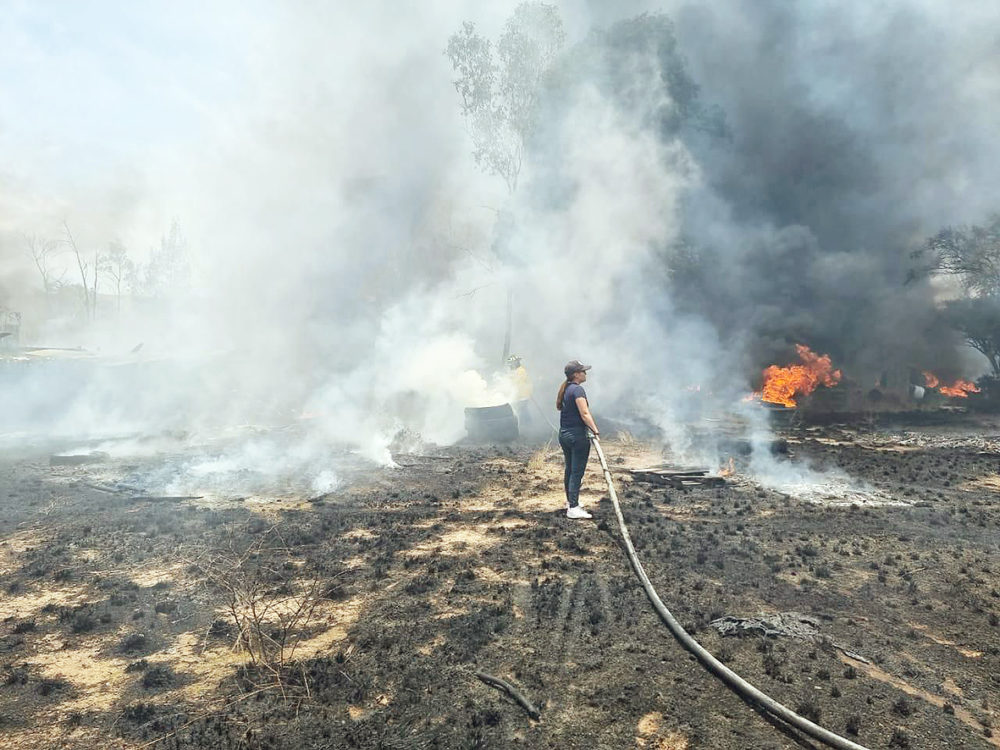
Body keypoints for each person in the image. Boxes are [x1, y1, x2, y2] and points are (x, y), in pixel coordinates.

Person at [556, 359, 599, 519]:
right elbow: (585, 413)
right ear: (576, 375)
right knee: (576, 472)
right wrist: (595, 430)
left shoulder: (567, 389)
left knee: (569, 469)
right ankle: (573, 508)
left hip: (564, 434)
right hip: (577, 436)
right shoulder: (578, 390)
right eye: (583, 371)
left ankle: (570, 501)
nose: (585, 373)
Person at [507, 354, 533, 433]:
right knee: (523, 411)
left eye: (512, 363)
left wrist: (513, 395)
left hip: (522, 396)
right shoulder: (516, 371)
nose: (510, 365)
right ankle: (528, 426)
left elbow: (518, 384)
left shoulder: (520, 371)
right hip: (520, 396)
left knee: (521, 411)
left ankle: (526, 427)